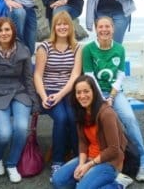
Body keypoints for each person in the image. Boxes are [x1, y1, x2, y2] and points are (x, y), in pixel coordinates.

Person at [82, 16, 144, 182]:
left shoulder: (119, 49)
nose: (104, 30)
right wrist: (102, 99)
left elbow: (120, 75)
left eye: (108, 27)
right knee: (92, 122)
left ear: (113, 29)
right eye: (101, 27)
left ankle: (143, 164)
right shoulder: (88, 49)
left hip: (115, 93)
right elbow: (90, 77)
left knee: (129, 119)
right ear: (96, 29)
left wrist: (111, 97)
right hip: (94, 93)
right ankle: (93, 161)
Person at [0, 17, 40, 183]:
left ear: (13, 32)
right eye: (0, 30)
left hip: (20, 94)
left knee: (20, 128)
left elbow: (28, 79)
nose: (4, 33)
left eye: (7, 30)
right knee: (4, 133)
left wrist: (35, 102)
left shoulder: (23, 50)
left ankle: (12, 164)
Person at [52, 75, 127, 189]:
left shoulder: (106, 113)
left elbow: (114, 149)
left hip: (109, 162)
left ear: (94, 92)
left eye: (86, 91)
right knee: (58, 181)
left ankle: (118, 184)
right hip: (89, 157)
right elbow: (83, 142)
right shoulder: (80, 111)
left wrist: (89, 165)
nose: (82, 96)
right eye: (78, 92)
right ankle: (92, 182)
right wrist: (82, 164)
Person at [34, 11, 82, 181]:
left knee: (73, 116)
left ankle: (79, 158)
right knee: (61, 118)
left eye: (66, 24)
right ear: (54, 27)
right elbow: (38, 75)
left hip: (67, 92)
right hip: (47, 92)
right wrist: (44, 95)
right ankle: (57, 162)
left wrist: (61, 94)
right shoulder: (44, 47)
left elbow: (75, 76)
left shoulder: (76, 48)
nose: (62, 27)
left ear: (70, 27)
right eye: (59, 24)